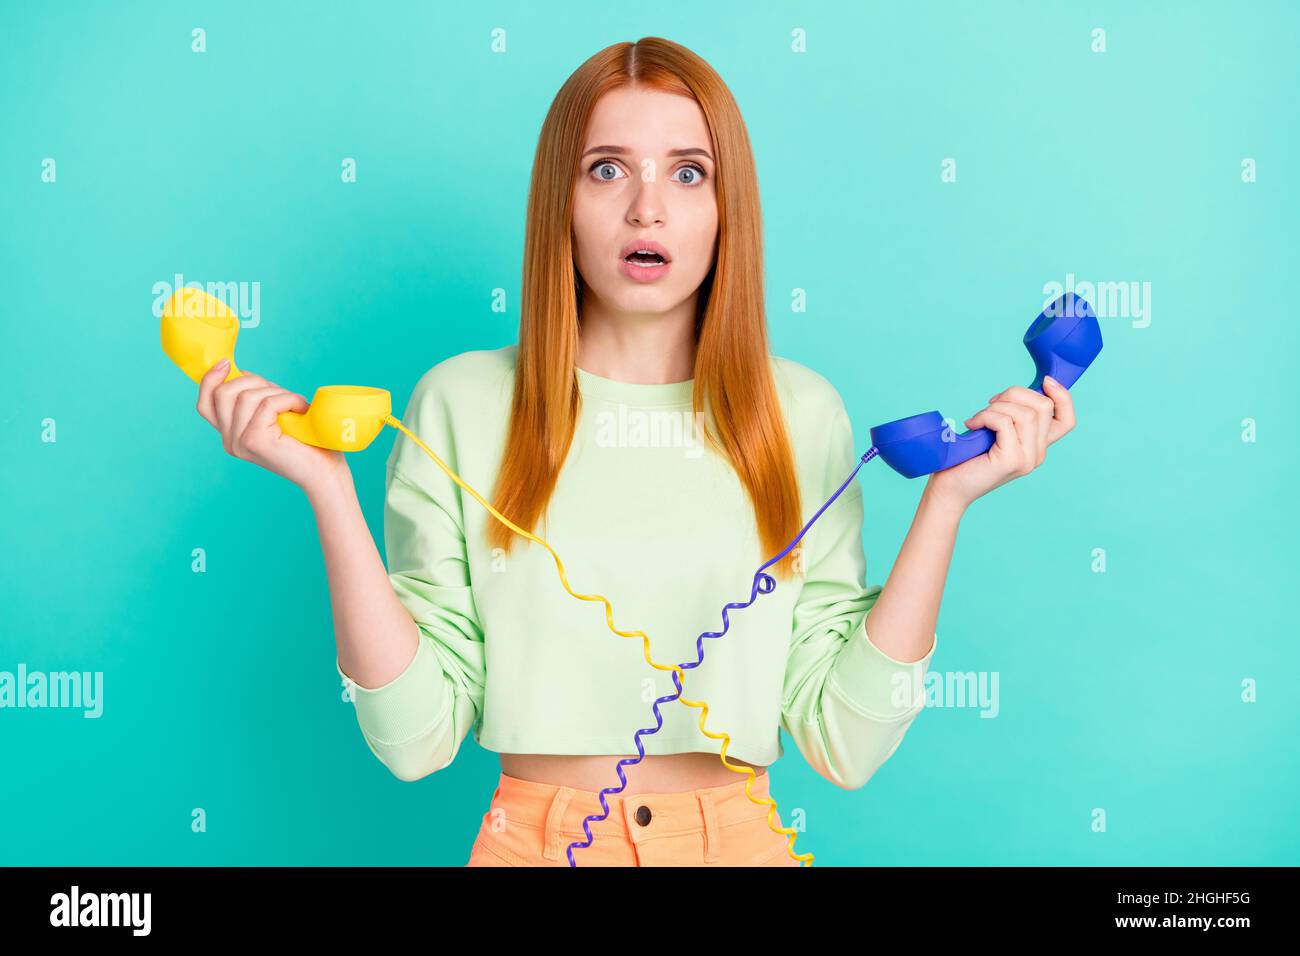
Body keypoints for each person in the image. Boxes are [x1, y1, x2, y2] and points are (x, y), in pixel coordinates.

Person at [193, 37, 1077, 867]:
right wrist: (328, 492)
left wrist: (946, 505)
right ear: (559, 202)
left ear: (728, 207)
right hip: (531, 841)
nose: (647, 206)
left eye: (689, 173)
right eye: (607, 169)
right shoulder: (459, 402)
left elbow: (844, 743)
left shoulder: (801, 413)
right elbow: (415, 740)